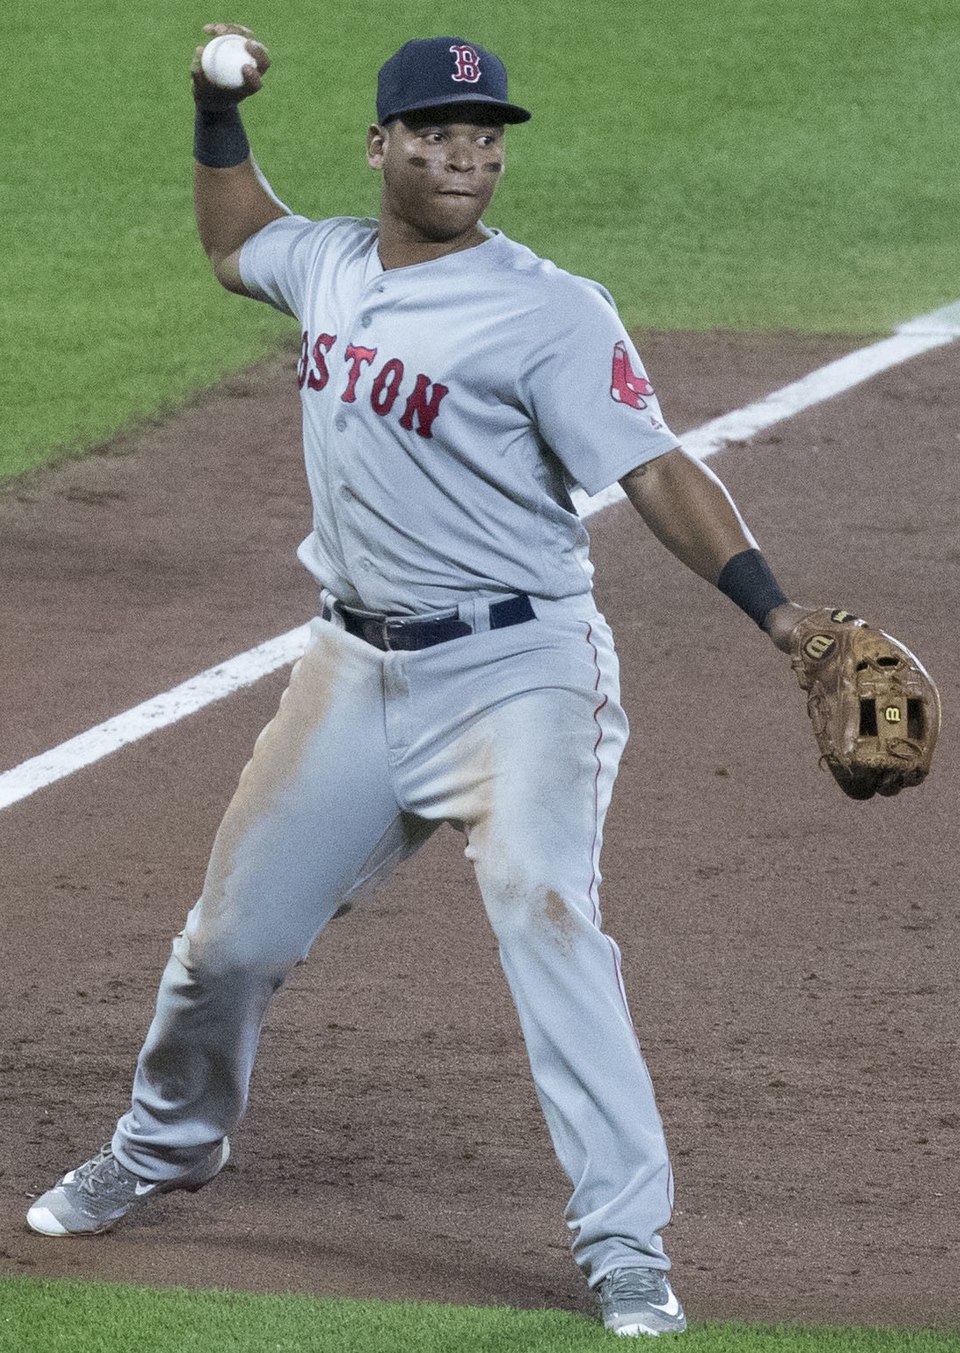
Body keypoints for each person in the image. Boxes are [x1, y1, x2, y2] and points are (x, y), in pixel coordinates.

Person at [27, 25, 813, 1338]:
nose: (466, 156)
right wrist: (215, 108)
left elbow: (657, 471)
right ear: (383, 145)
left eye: (485, 137)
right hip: (351, 669)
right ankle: (169, 1143)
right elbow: (235, 241)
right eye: (440, 134)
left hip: (521, 672)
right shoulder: (328, 263)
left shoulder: (553, 308)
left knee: (548, 910)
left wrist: (777, 613)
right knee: (230, 946)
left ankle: (624, 1241)